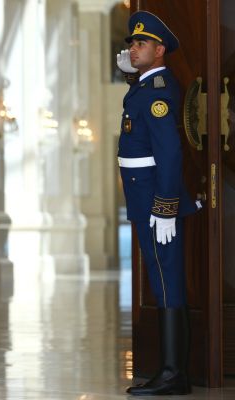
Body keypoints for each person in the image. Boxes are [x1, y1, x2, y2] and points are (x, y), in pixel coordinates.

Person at [116, 11, 198, 396]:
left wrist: (165, 206)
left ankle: (172, 372)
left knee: (166, 281)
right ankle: (171, 370)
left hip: (155, 200)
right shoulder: (147, 85)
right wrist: (132, 76)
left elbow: (168, 153)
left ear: (160, 50)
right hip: (144, 196)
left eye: (141, 44)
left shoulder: (159, 91)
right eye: (132, 44)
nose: (133, 49)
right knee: (161, 278)